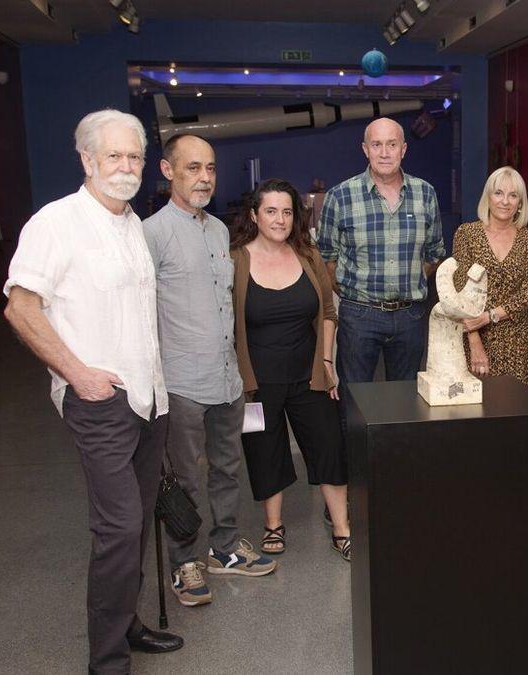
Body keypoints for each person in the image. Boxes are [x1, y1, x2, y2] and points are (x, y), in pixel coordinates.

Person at [3, 109, 182, 672]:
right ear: (86, 160)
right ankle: (106, 661)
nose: (126, 167)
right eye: (114, 156)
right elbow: (20, 307)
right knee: (120, 525)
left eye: (134, 156)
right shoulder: (55, 224)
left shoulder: (131, 221)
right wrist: (77, 374)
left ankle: (126, 624)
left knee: (138, 518)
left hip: (151, 400)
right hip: (100, 402)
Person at [141, 134, 277, 609]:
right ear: (167, 170)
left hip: (226, 378)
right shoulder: (151, 234)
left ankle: (225, 549)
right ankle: (185, 561)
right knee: (185, 477)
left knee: (227, 467)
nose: (204, 177)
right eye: (193, 167)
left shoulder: (220, 231)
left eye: (211, 168)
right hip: (180, 383)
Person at [232, 179, 351, 561]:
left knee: (330, 446)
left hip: (310, 374)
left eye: (287, 211)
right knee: (265, 450)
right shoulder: (236, 260)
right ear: (254, 215)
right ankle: (273, 526)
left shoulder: (308, 254)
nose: (280, 219)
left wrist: (328, 363)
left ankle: (342, 528)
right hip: (257, 382)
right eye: (271, 211)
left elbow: (329, 313)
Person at [317, 117, 445, 384]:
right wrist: (352, 293)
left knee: (405, 402)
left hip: (410, 316)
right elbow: (326, 257)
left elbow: (434, 252)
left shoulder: (425, 194)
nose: (384, 153)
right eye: (376, 145)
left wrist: (410, 279)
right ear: (365, 149)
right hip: (359, 315)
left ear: (404, 149)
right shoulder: (340, 196)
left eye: (391, 144)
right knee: (354, 401)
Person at [451, 166, 528, 389]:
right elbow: (459, 292)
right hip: (473, 335)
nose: (505, 201)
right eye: (499, 193)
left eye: (513, 195)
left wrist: (490, 316)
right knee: (473, 410)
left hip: (516, 339)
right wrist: (475, 341)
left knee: (515, 409)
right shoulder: (467, 234)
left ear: (520, 203)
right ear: (488, 197)